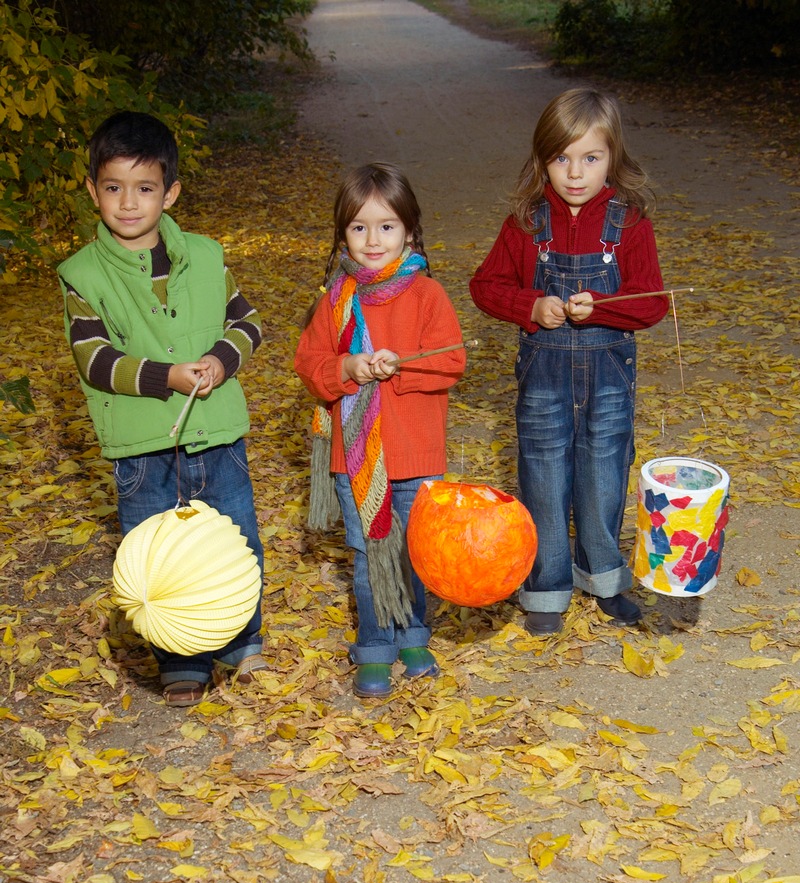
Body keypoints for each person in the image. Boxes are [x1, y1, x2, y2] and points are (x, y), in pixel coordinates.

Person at [58, 111, 266, 706]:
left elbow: (246, 321)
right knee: (159, 557)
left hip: (219, 434)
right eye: (114, 187)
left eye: (144, 188)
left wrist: (222, 360)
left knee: (236, 538)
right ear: (93, 190)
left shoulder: (205, 256)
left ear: (169, 193)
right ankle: (182, 663)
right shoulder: (82, 274)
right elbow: (93, 359)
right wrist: (166, 376)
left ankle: (242, 642)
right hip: (143, 448)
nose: (129, 203)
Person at [470, 87, 669, 634]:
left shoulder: (629, 224)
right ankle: (546, 587)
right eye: (561, 158)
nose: (575, 173)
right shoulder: (526, 223)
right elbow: (484, 285)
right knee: (543, 474)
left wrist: (603, 307)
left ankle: (604, 577)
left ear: (613, 158)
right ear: (542, 161)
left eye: (591, 158)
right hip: (544, 378)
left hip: (608, 379)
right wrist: (530, 304)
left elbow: (653, 301)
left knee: (604, 472)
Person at [295, 162, 466, 699]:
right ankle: (373, 645)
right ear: (343, 233)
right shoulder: (336, 300)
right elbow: (309, 363)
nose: (373, 239)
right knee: (370, 557)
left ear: (409, 231)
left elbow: (452, 361)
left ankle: (414, 635)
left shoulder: (427, 296)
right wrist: (347, 368)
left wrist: (402, 365)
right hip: (357, 459)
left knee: (414, 550)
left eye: (387, 226)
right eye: (359, 227)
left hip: (416, 455)